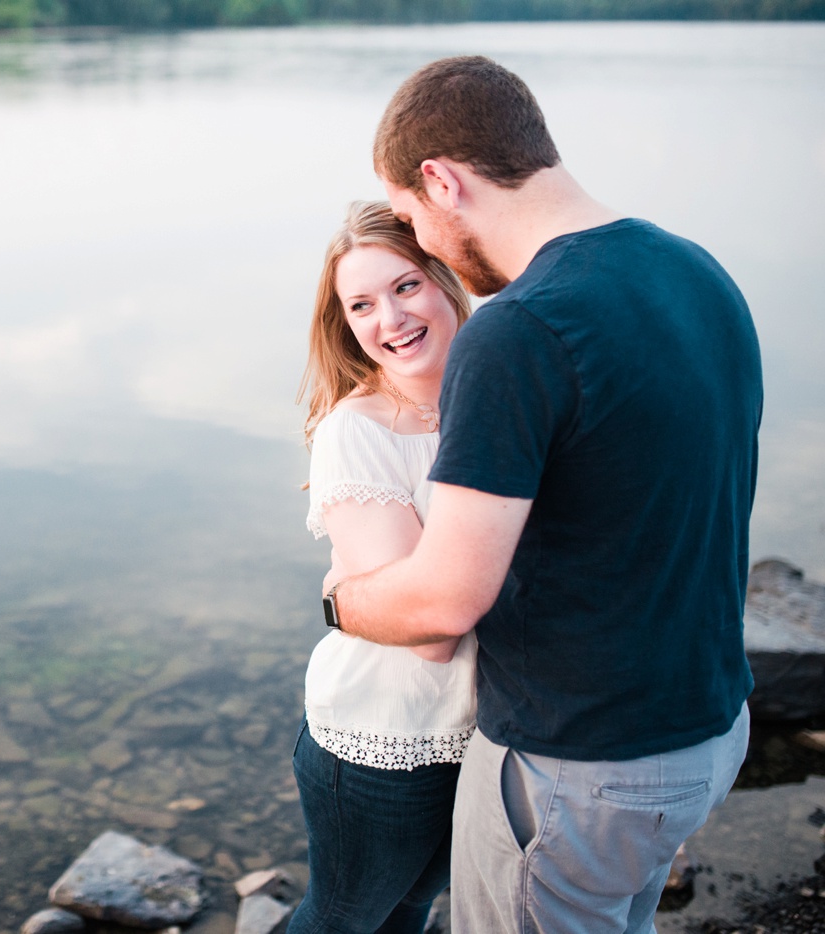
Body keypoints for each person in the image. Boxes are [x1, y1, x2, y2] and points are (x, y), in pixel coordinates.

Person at [325, 56, 762, 932]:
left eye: (413, 218)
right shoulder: (697, 272)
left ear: (441, 182)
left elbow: (445, 600)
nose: (426, 241)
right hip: (711, 729)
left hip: (581, 763)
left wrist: (341, 604)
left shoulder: (522, 329)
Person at [290, 199, 475, 934]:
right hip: (385, 739)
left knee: (408, 909)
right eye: (360, 305)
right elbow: (429, 627)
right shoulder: (357, 433)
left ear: (445, 279)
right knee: (342, 919)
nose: (389, 320)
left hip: (479, 729)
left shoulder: (497, 402)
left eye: (405, 287)